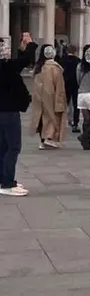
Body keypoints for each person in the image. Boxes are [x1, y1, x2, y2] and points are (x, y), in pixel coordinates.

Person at [0, 33, 37, 197]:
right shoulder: (4, 66)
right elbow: (24, 62)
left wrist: (22, 49)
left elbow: (18, 65)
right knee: (13, 146)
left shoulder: (5, 66)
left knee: (3, 146)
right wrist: (29, 44)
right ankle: (7, 183)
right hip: (8, 111)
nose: (6, 51)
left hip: (3, 110)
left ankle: (4, 180)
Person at [31, 45, 67, 150]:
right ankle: (48, 138)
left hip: (39, 97)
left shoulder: (39, 67)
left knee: (41, 118)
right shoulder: (55, 68)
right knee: (52, 118)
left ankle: (42, 140)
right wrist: (60, 100)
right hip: (51, 96)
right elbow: (59, 86)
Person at [59, 45, 81, 133]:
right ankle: (75, 124)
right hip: (75, 84)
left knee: (64, 104)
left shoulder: (62, 60)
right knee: (76, 105)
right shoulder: (78, 61)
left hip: (65, 83)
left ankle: (61, 122)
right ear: (75, 51)